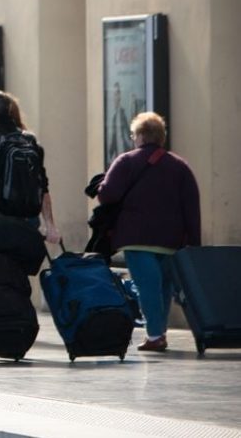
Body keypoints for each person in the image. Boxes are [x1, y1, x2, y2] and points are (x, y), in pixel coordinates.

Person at [97, 112, 200, 352]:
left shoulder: (126, 161)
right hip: (172, 240)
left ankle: (155, 335)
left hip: (137, 238)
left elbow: (107, 195)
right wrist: (194, 243)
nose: (133, 139)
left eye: (134, 135)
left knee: (147, 287)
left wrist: (101, 184)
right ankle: (159, 333)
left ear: (141, 136)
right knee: (162, 287)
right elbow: (192, 206)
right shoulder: (180, 166)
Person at [0, 89, 61, 244]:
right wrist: (50, 226)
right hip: (27, 218)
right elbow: (42, 186)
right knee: (22, 265)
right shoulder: (28, 139)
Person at [107, 82, 133, 166]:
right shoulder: (113, 116)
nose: (116, 97)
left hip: (126, 157)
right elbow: (113, 139)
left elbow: (129, 135)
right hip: (118, 159)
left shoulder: (123, 113)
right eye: (114, 94)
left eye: (117, 93)